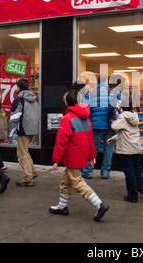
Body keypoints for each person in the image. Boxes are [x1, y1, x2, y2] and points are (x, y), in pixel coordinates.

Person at [49, 90, 109, 222]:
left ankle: (99, 205)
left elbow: (61, 142)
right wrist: (91, 156)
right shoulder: (86, 118)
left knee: (77, 181)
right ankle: (62, 206)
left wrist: (55, 160)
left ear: (66, 103)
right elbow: (90, 140)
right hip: (81, 156)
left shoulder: (67, 119)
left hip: (72, 156)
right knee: (66, 181)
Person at [107, 99, 143, 203]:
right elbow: (127, 131)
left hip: (125, 149)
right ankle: (142, 188)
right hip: (134, 147)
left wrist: (114, 120)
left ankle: (132, 195)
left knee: (129, 172)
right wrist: (114, 138)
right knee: (137, 168)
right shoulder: (135, 115)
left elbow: (114, 126)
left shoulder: (123, 116)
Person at [82, 75, 120, 179]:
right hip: (110, 125)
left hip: (95, 125)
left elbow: (86, 109)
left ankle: (88, 172)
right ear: (107, 81)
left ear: (97, 82)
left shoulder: (91, 93)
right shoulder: (115, 93)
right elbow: (122, 106)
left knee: (93, 149)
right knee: (108, 149)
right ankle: (105, 172)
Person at [8, 78, 39, 187]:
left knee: (21, 154)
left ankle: (28, 177)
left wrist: (10, 131)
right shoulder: (34, 98)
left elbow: (14, 116)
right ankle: (32, 172)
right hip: (33, 128)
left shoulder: (19, 99)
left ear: (18, 88)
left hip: (23, 128)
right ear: (29, 87)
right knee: (25, 151)